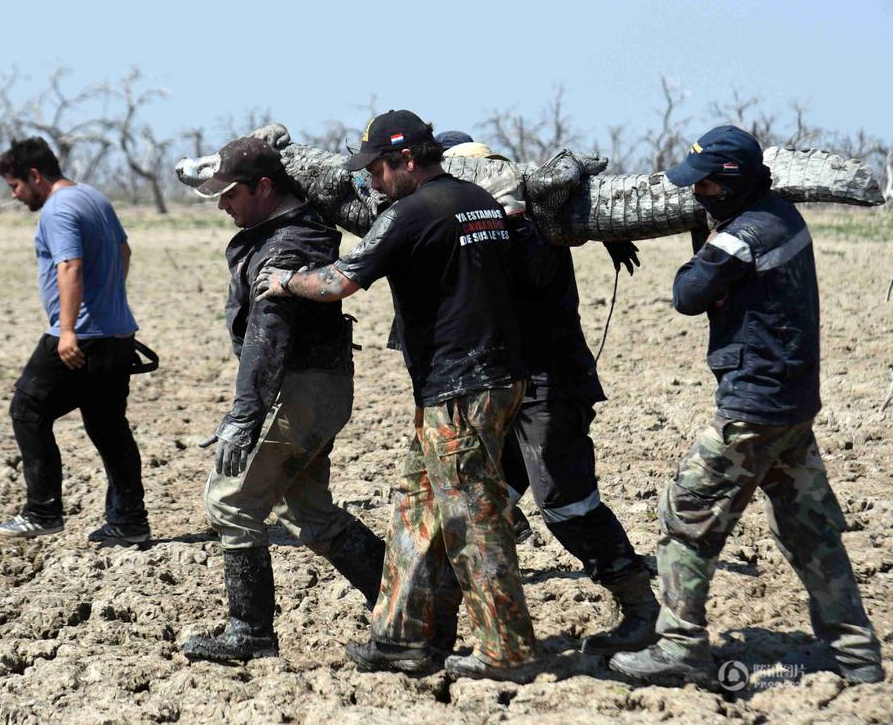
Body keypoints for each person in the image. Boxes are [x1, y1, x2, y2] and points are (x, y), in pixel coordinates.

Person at [256, 110, 538, 682]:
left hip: (461, 386)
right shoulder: (479, 199)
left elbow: (340, 280)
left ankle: (506, 649)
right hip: (493, 375)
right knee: (415, 502)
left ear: (407, 160)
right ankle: (400, 636)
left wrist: (285, 281)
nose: (374, 182)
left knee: (472, 517)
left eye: (379, 169)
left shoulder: (410, 213)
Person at [610, 125, 883, 687]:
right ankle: (856, 654)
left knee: (686, 515)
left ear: (731, 181)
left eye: (706, 187)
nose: (698, 194)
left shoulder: (744, 234)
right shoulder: (783, 215)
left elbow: (688, 295)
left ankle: (680, 647)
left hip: (752, 407)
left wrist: (707, 239)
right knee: (808, 528)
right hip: (793, 403)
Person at [442, 139, 658, 655]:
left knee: (564, 498)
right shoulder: (483, 223)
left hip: (548, 385)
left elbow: (532, 272)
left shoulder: (526, 226)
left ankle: (642, 609)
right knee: (480, 501)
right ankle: (452, 619)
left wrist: (517, 221)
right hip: (503, 383)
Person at [181, 137, 385, 663]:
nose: (222, 204)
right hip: (319, 388)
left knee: (231, 501)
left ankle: (250, 634)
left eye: (229, 194)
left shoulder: (284, 248)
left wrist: (244, 416)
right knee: (308, 509)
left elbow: (267, 338)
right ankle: (403, 599)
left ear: (265, 187)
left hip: (295, 389)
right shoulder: (290, 231)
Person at [0, 137, 150, 543]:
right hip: (116, 333)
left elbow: (70, 267)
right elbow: (125, 251)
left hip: (81, 336)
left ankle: (42, 512)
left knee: (27, 411)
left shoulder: (58, 209)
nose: (14, 195)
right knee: (108, 425)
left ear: (35, 175)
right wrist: (108, 303)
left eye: (15, 186)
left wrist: (67, 330)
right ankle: (129, 521)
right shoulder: (93, 197)